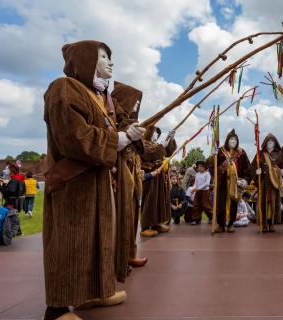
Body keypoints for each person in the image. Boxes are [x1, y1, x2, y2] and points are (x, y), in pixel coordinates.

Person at [42, 40, 146, 319]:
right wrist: (119, 139)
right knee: (71, 242)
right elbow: (74, 138)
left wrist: (128, 134)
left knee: (98, 240)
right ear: (85, 60)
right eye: (103, 56)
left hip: (97, 183)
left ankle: (90, 294)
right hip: (73, 185)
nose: (111, 62)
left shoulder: (100, 98)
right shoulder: (63, 88)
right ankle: (57, 308)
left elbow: (106, 135)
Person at [111, 81, 149, 270]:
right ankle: (117, 259)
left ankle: (128, 254)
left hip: (131, 180)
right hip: (117, 179)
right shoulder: (113, 122)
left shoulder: (129, 124)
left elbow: (143, 149)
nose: (136, 107)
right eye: (134, 102)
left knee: (130, 219)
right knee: (119, 221)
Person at [140, 127, 176, 237]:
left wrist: (170, 139)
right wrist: (162, 146)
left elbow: (167, 153)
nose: (156, 136)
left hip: (159, 178)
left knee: (159, 201)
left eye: (157, 134)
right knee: (150, 201)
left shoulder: (156, 146)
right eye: (154, 133)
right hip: (150, 178)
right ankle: (145, 226)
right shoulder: (143, 145)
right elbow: (149, 155)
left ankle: (156, 224)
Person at [211, 129, 250, 233]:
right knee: (221, 203)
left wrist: (245, 180)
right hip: (223, 182)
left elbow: (247, 168)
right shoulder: (220, 151)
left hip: (236, 183)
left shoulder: (241, 153)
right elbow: (212, 166)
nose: (233, 141)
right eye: (231, 139)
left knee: (233, 203)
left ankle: (231, 224)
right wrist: (212, 157)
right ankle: (221, 224)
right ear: (227, 140)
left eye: (235, 139)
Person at [251, 134, 283, 232]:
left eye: (272, 142)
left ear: (275, 143)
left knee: (274, 203)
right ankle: (263, 224)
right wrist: (257, 172)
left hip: (274, 183)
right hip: (263, 183)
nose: (270, 143)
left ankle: (271, 223)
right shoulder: (260, 154)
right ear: (265, 143)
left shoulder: (279, 154)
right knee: (263, 203)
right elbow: (253, 166)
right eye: (268, 142)